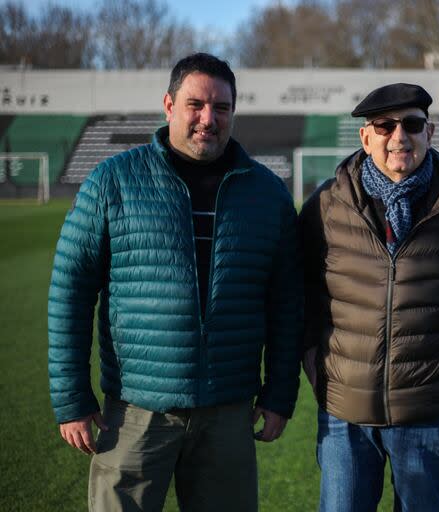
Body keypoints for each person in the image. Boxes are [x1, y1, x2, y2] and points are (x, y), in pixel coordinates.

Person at [48, 53, 302, 511]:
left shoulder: (267, 193)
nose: (209, 118)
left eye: (221, 107)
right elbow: (71, 288)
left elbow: (286, 302)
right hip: (135, 413)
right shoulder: (113, 181)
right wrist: (72, 398)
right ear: (168, 105)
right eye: (195, 104)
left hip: (228, 413)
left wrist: (280, 391)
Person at [298, 83, 439, 511]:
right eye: (384, 126)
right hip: (345, 410)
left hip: (431, 410)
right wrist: (309, 346)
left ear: (430, 133)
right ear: (365, 138)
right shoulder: (327, 205)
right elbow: (297, 282)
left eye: (411, 125)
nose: (398, 136)